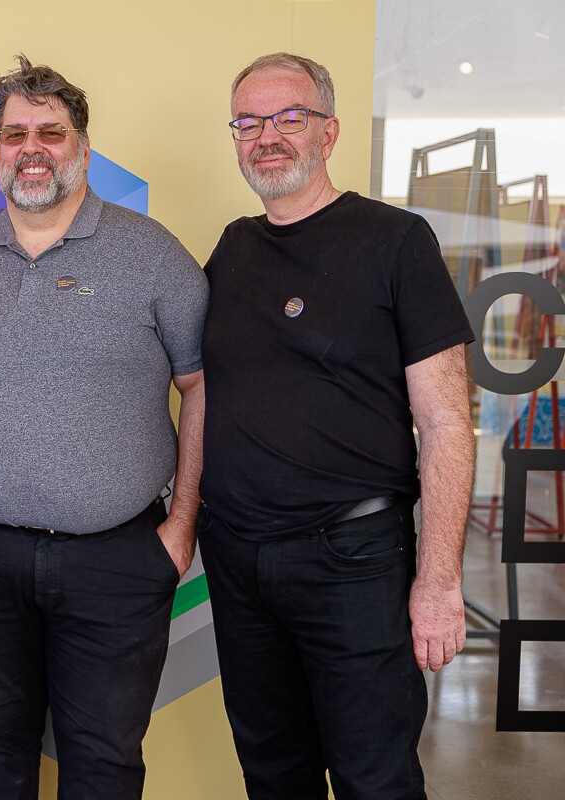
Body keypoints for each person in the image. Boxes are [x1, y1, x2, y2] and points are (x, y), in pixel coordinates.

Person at [0, 56, 208, 799]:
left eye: (51, 131)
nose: (33, 147)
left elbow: (202, 386)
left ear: (83, 147)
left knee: (104, 760)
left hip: (117, 560)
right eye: (16, 133)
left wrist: (182, 524)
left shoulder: (152, 254)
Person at [200, 52, 476, 799]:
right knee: (272, 775)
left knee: (374, 779)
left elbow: (448, 422)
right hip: (237, 561)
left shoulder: (395, 241)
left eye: (291, 117)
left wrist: (440, 584)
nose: (268, 136)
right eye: (249, 122)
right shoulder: (232, 248)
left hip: (353, 560)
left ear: (330, 132)